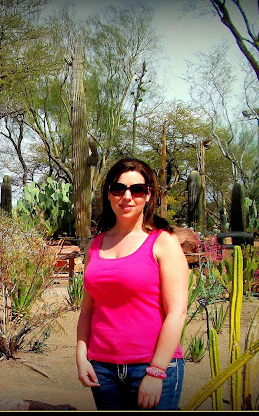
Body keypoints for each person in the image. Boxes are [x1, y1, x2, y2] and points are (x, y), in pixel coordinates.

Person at [76, 158, 189, 410]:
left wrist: (157, 371)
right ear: (108, 194)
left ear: (148, 195)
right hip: (102, 369)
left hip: (151, 366)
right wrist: (82, 358)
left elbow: (177, 312)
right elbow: (88, 310)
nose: (127, 197)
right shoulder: (95, 246)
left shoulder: (163, 242)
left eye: (137, 189)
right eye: (119, 189)